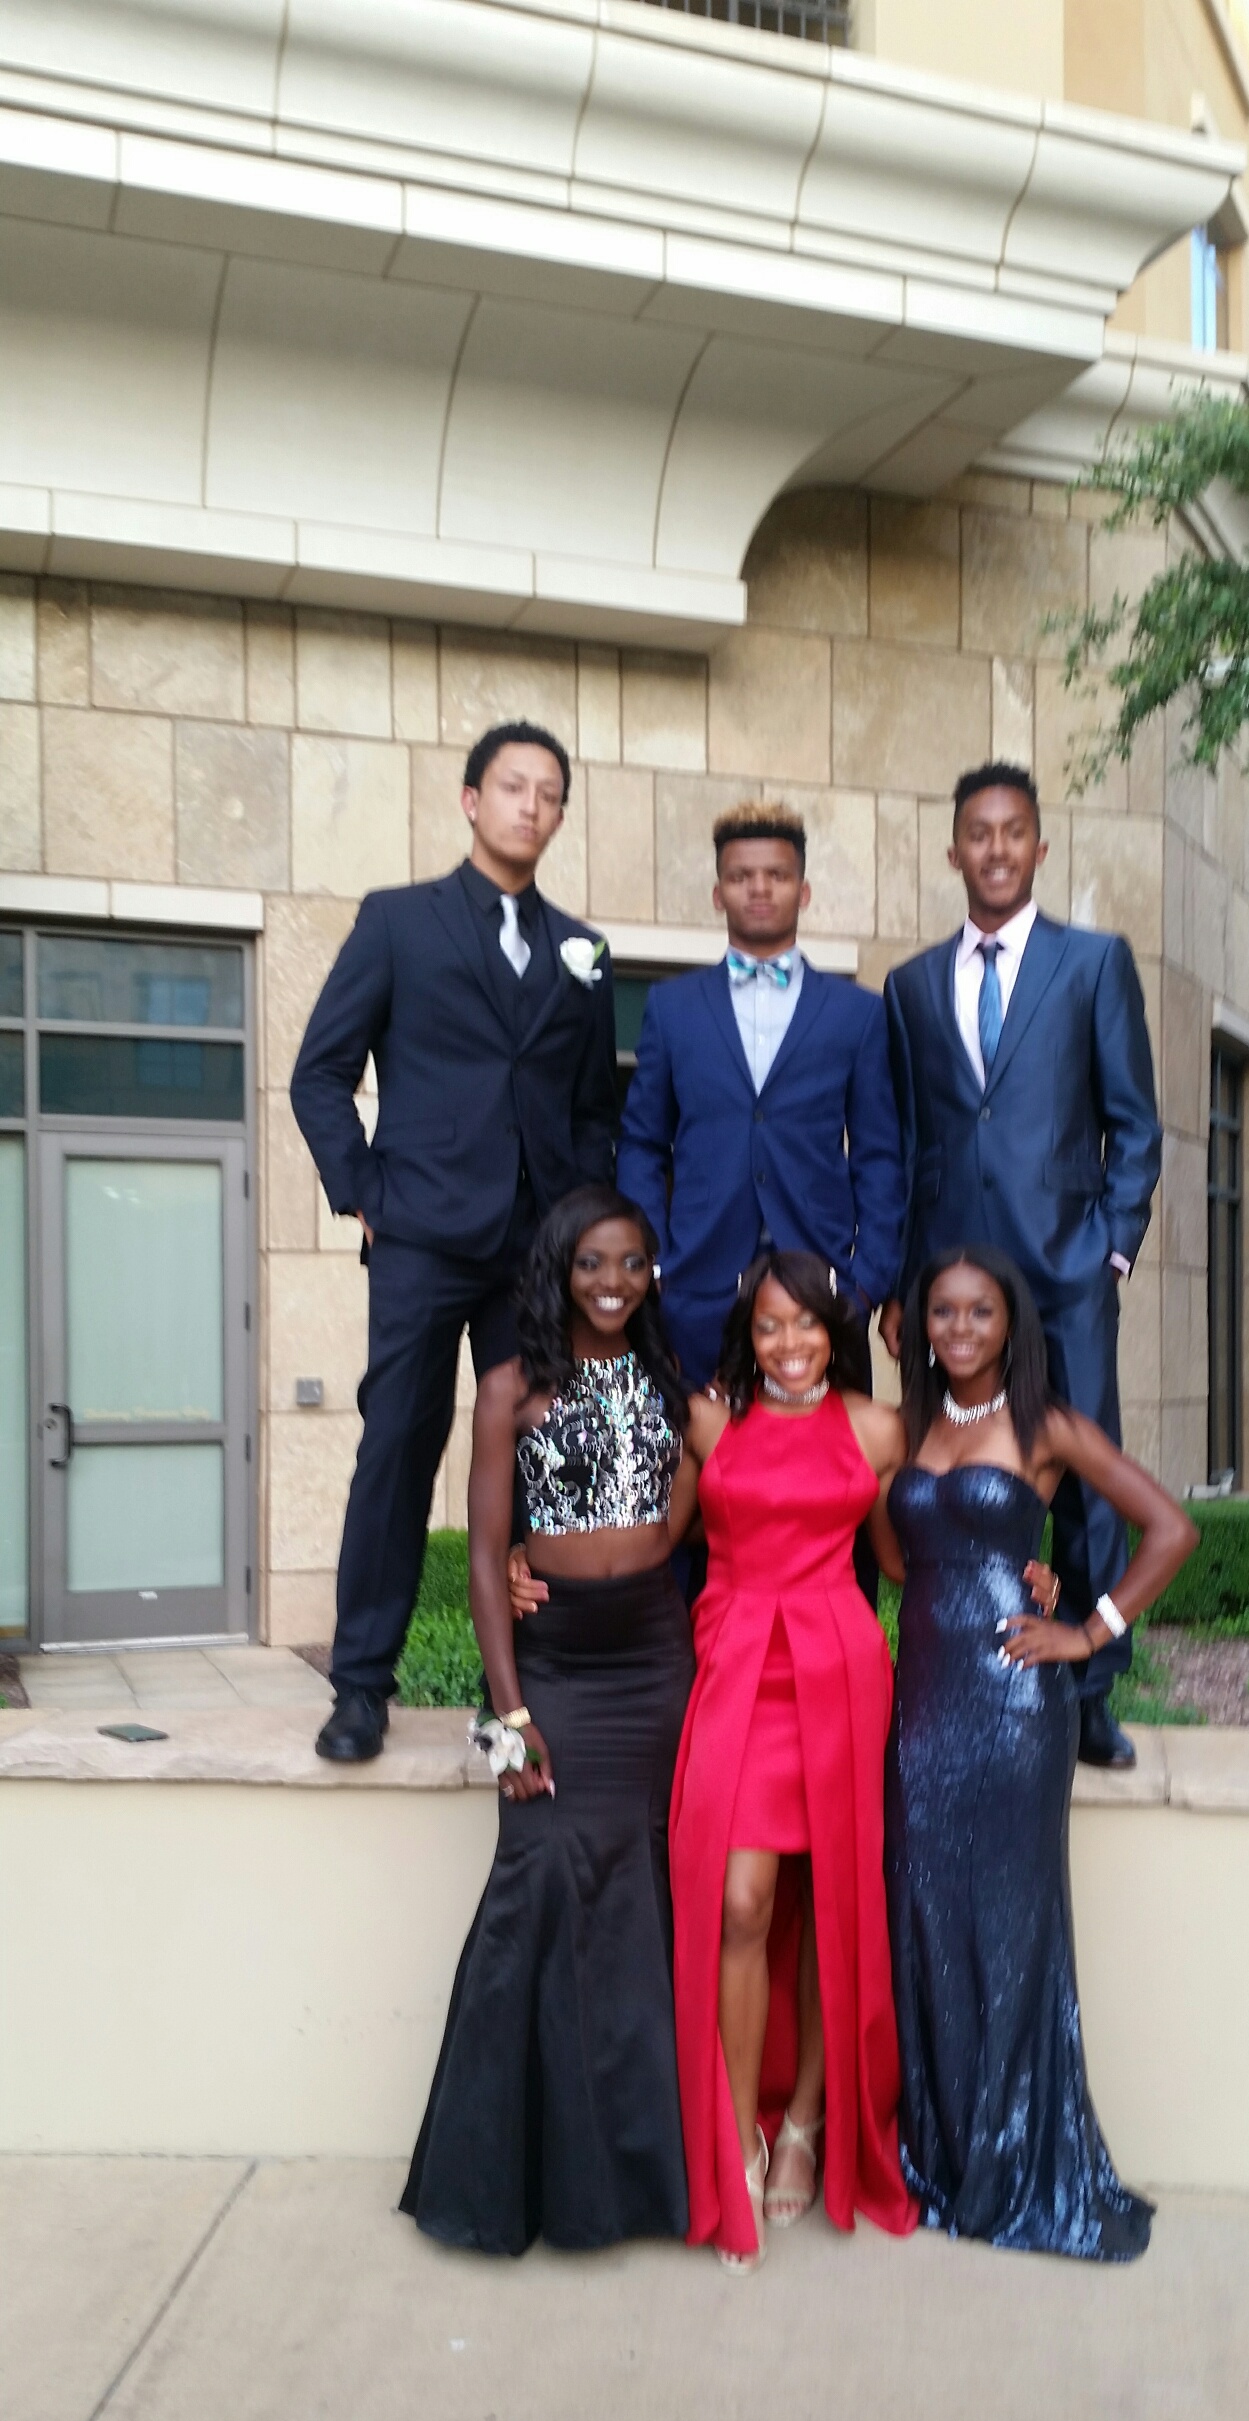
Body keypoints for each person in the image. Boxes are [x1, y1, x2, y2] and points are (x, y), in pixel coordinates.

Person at [290, 721, 618, 1763]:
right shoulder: (398, 922)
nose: (532, 805)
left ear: (559, 816)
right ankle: (360, 1686)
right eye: (514, 786)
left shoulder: (583, 948)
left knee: (539, 1460)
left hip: (538, 1250)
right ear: (472, 800)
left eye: (549, 793)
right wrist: (365, 1192)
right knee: (398, 1445)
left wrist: (583, 1220)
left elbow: (594, 1106)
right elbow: (319, 1073)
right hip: (424, 1237)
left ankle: (514, 1691)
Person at [871, 1245, 1197, 2261]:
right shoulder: (910, 1426)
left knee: (1010, 1929)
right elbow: (898, 1560)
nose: (960, 1329)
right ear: (919, 1325)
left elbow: (1171, 1528)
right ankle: (944, 2153)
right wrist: (991, 1562)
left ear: (1010, 1322)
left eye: (980, 1311)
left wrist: (1088, 1630)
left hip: (1016, 1707)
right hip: (923, 1703)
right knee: (925, 1915)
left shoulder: (1045, 1423)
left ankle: (1012, 2163)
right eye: (943, 1311)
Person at [400, 1187, 697, 2256]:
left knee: (640, 1904)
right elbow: (486, 1559)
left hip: (654, 1660)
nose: (613, 1283)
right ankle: (495, 2183)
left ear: (651, 1273)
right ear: (559, 1272)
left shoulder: (673, 1383)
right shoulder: (508, 1388)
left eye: (631, 1263)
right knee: (532, 1880)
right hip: (550, 1663)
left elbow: (708, 1503)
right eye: (591, 1264)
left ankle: (636, 2183)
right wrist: (509, 1716)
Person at [882, 763, 1163, 1771]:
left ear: (1039, 848)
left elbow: (1135, 1123)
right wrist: (904, 1288)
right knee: (942, 1476)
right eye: (978, 833)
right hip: (951, 1289)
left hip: (1065, 1269)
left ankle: (1090, 1690)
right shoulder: (911, 986)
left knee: (1085, 1483)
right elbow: (909, 1143)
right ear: (953, 849)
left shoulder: (1093, 963)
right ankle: (946, 1666)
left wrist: (1109, 1251)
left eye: (1013, 832)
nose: (995, 849)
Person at [666, 1251, 914, 2271]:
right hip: (737, 1667)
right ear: (749, 1333)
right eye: (769, 1325)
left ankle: (806, 2118)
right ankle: (737, 2135)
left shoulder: (878, 1428)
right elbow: (653, 1539)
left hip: (838, 1666)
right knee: (743, 1903)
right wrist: (523, 1557)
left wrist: (1025, 1571)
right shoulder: (709, 1422)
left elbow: (902, 1558)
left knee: (829, 1906)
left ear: (834, 1330)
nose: (788, 1343)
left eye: (806, 1323)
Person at [617, 801, 903, 1392]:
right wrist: (655, 1260)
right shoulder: (672, 1008)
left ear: (804, 890)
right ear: (718, 893)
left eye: (777, 874)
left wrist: (867, 1280)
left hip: (823, 1286)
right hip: (697, 1285)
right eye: (741, 876)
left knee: (826, 1449)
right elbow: (642, 1143)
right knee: (697, 1443)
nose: (759, 888)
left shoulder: (858, 1014)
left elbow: (879, 1155)